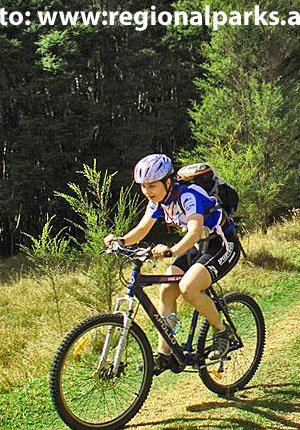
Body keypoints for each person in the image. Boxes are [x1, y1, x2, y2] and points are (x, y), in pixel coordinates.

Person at [103, 153, 241, 374]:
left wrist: (172, 250)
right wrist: (120, 240)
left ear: (168, 182)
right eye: (143, 186)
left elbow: (195, 231)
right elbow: (141, 230)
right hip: (196, 247)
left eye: (152, 186)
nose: (147, 191)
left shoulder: (188, 195)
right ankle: (165, 356)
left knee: (188, 287)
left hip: (222, 244)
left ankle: (222, 331)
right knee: (167, 290)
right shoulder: (158, 201)